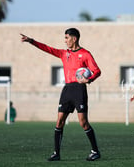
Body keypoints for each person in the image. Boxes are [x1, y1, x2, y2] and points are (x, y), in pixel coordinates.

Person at [20, 28, 101, 161]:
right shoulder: (64, 54)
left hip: (79, 89)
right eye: (65, 38)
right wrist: (32, 41)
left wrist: (89, 79)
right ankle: (56, 153)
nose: (65, 41)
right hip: (67, 90)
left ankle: (95, 151)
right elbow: (48, 48)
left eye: (67, 38)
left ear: (74, 39)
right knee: (59, 121)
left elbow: (97, 70)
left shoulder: (85, 54)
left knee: (83, 122)